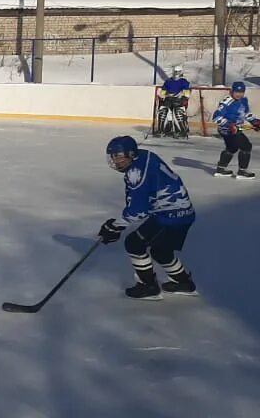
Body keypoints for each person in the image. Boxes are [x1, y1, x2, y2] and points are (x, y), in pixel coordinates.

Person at [99, 135, 197, 300]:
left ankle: (148, 287)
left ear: (131, 154)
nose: (116, 162)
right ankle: (183, 283)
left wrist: (116, 226)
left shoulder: (136, 173)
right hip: (183, 212)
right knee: (161, 251)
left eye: (120, 157)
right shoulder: (144, 155)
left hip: (169, 216)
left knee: (134, 243)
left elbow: (139, 209)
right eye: (114, 157)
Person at [211, 81, 260, 180]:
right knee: (246, 146)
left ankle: (221, 169)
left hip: (236, 128)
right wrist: (230, 125)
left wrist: (255, 121)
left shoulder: (243, 100)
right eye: (236, 92)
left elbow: (245, 114)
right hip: (227, 130)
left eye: (241, 92)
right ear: (232, 91)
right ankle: (242, 171)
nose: (239, 94)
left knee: (232, 148)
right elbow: (216, 117)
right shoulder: (226, 101)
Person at [154, 65, 192, 138]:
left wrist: (184, 98)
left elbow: (187, 93)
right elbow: (163, 92)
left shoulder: (184, 82)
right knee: (162, 110)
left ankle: (181, 131)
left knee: (178, 112)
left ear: (181, 72)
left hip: (179, 101)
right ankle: (163, 130)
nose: (176, 73)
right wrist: (162, 96)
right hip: (168, 100)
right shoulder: (168, 81)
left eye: (178, 72)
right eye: (175, 72)